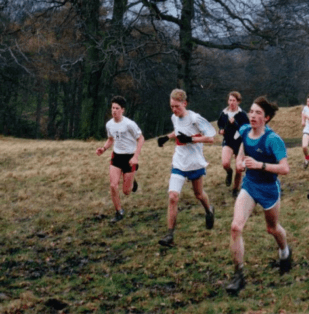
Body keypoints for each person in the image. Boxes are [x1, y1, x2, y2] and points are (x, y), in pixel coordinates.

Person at [226, 96, 292, 295]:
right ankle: (239, 276)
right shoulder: (245, 131)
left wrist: (261, 165)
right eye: (251, 111)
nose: (253, 116)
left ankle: (285, 252)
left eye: (258, 113)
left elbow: (285, 168)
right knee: (236, 227)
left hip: (269, 189)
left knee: (272, 229)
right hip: (250, 186)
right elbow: (241, 151)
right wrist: (239, 163)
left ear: (267, 118)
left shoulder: (273, 140)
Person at [157, 89, 216, 247]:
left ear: (185, 103)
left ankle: (209, 210)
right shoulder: (174, 117)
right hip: (179, 163)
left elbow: (211, 137)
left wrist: (191, 139)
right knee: (173, 197)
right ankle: (169, 234)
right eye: (172, 107)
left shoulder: (195, 118)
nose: (174, 110)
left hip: (195, 163)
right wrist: (167, 137)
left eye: (177, 106)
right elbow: (177, 131)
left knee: (198, 194)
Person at [96, 96, 145, 223]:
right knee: (113, 185)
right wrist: (104, 148)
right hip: (116, 156)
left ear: (122, 110)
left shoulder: (129, 124)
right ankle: (119, 211)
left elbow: (141, 139)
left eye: (117, 108)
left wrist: (135, 157)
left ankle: (132, 181)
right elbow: (111, 139)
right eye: (113, 108)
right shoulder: (109, 124)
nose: (114, 111)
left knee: (126, 191)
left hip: (129, 158)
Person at [217, 91, 250, 197]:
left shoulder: (242, 115)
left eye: (234, 100)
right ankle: (229, 172)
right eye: (230, 100)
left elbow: (246, 129)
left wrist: (235, 123)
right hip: (228, 141)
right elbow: (220, 124)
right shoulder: (224, 113)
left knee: (239, 168)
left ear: (238, 102)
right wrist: (221, 130)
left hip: (240, 143)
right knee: (225, 163)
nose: (231, 102)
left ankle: (235, 189)